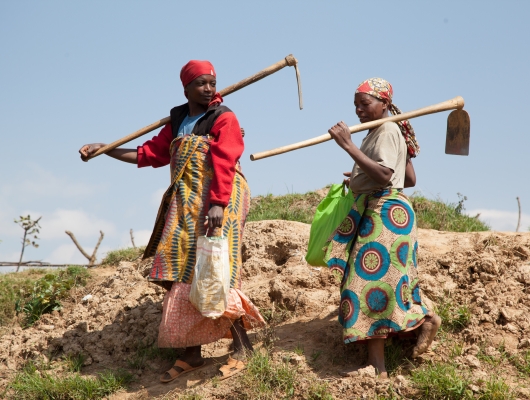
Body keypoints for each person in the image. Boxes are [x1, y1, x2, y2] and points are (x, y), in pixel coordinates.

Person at [79, 60, 265, 382]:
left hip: (222, 199)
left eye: (212, 83)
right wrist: (105, 149)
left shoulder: (224, 117)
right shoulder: (179, 119)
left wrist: (217, 204)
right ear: (186, 88)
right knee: (180, 268)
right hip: (188, 201)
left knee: (216, 267)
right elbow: (148, 154)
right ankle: (191, 353)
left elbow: (224, 162)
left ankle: (243, 348)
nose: (208, 89)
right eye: (201, 84)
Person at [325, 77, 441, 378]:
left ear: (384, 104)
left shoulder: (388, 129)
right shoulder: (383, 131)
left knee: (365, 284)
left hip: (385, 213)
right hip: (388, 209)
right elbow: (409, 179)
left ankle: (378, 367)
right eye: (356, 106)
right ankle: (420, 323)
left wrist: (348, 146)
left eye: (365, 104)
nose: (359, 111)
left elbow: (385, 174)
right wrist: (359, 177)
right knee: (381, 283)